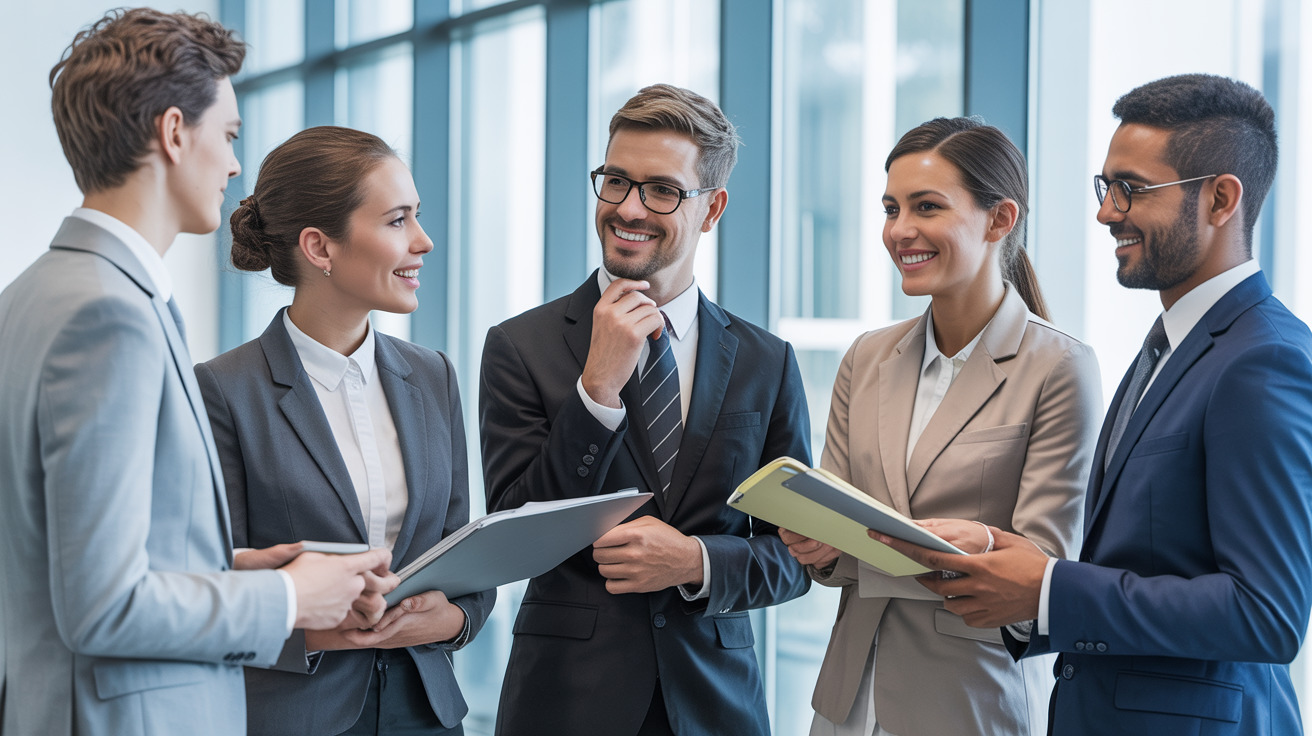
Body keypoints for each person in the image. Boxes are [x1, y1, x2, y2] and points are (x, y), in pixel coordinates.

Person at [0, 10, 395, 736]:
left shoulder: (31, 296)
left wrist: (229, 566)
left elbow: (63, 552)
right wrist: (287, 600)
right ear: (174, 132)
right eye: (230, 136)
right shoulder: (106, 314)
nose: (237, 166)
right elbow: (103, 606)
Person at [880, 74, 1312, 735]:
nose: (1108, 211)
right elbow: (1148, 559)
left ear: (1222, 198)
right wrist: (1005, 555)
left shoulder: (1262, 360)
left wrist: (1050, 589)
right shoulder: (1167, 345)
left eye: (1131, 189)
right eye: (1104, 186)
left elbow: (1266, 614)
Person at [478, 83, 812, 736]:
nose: (629, 208)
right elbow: (514, 536)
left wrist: (696, 561)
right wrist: (595, 390)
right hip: (566, 704)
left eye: (661, 190)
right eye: (615, 181)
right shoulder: (522, 346)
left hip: (717, 707)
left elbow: (799, 554)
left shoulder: (765, 361)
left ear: (711, 208)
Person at [779, 117, 1102, 736]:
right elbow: (838, 539)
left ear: (999, 219)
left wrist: (867, 546)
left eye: (927, 207)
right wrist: (819, 550)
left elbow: (1042, 571)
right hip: (849, 703)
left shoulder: (1059, 366)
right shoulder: (866, 358)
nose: (901, 231)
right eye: (892, 208)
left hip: (972, 700)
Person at [195, 126, 495, 735]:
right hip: (294, 715)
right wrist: (321, 628)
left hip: (426, 713)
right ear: (319, 247)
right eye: (397, 220)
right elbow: (208, 589)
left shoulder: (432, 375)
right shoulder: (223, 390)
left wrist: (454, 620)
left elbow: (464, 555)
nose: (423, 240)